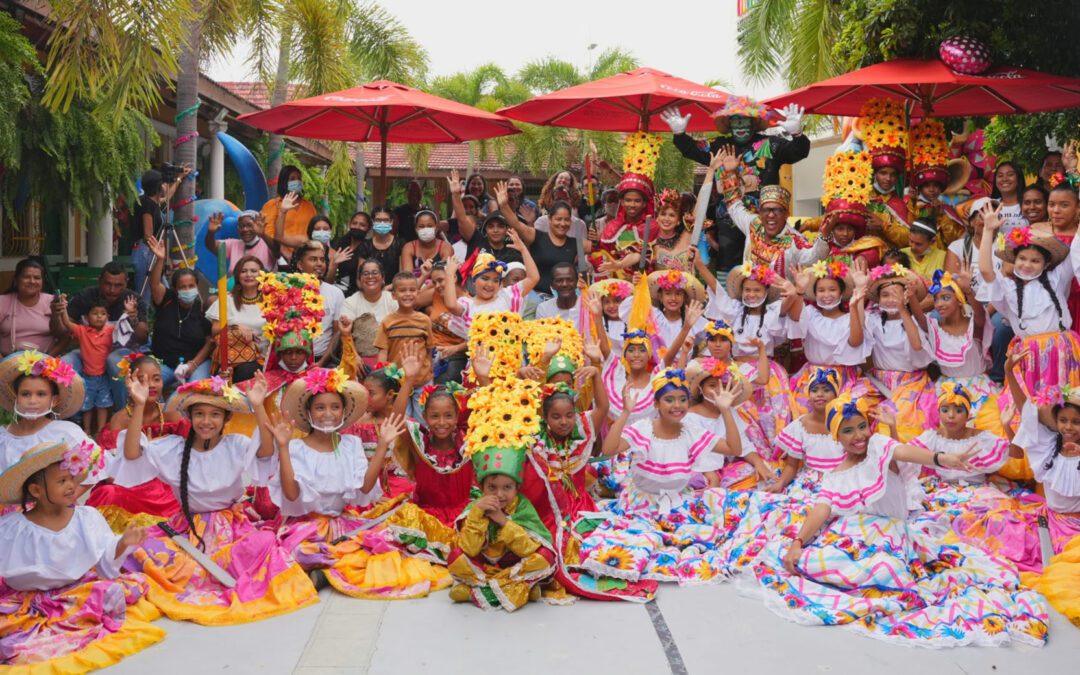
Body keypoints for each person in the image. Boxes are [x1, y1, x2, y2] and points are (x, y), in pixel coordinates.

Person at [760, 393, 1049, 648]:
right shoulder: (836, 475)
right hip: (858, 535)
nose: (859, 435)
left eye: (862, 426)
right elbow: (821, 509)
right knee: (809, 561)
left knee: (888, 572)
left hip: (893, 536)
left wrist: (944, 459)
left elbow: (906, 452)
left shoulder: (880, 447)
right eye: (848, 430)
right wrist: (798, 542)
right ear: (837, 436)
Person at [116, 373, 318, 624]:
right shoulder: (174, 448)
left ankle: (205, 573)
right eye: (199, 414)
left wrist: (257, 405)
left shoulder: (235, 444)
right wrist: (139, 404)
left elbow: (265, 451)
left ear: (226, 418)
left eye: (214, 414)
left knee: (265, 541)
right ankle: (204, 573)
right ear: (189, 417)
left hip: (230, 530)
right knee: (137, 548)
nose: (206, 421)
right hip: (186, 529)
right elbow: (132, 452)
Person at [268, 369, 451, 598]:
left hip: (341, 522)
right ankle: (323, 566)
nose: (328, 414)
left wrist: (383, 443)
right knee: (299, 552)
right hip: (306, 525)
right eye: (320, 407)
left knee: (379, 545)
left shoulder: (351, 444)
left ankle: (323, 573)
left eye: (335, 407)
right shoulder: (296, 447)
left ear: (344, 411)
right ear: (309, 412)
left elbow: (364, 489)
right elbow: (292, 495)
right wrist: (283, 447)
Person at [0, 440, 164, 671]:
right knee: (10, 638)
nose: (71, 487)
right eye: (62, 481)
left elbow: (104, 560)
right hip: (27, 597)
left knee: (111, 591)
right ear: (36, 491)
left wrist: (123, 543)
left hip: (76, 590)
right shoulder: (11, 528)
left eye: (72, 479)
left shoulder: (86, 518)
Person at [579, 370, 749, 585]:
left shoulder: (691, 431)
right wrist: (625, 412)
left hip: (678, 503)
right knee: (635, 544)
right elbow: (609, 448)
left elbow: (735, 447)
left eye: (682, 399)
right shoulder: (644, 428)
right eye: (669, 400)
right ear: (657, 404)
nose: (677, 405)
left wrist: (726, 411)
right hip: (643, 505)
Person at [977, 206, 1080, 403]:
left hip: (1062, 350)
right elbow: (985, 270)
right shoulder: (1006, 289)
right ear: (1014, 260)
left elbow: (1077, 248)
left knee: (1065, 404)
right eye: (1022, 258)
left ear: (1046, 264)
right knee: (1030, 406)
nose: (1027, 264)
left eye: (1035, 260)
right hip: (1028, 356)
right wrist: (988, 230)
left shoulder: (1057, 277)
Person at [447, 445, 558, 612]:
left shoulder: (522, 507)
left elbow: (529, 549)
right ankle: (521, 588)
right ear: (482, 487)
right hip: (484, 566)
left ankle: (475, 591)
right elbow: (469, 549)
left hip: (513, 564)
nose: (499, 494)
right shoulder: (476, 506)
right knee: (455, 557)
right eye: (492, 487)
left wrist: (504, 522)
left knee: (546, 557)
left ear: (516, 488)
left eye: (507, 487)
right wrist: (477, 514)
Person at [85, 353, 185, 532]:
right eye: (142, 380)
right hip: (129, 486)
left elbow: (196, 449)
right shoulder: (120, 420)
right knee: (108, 493)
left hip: (166, 484)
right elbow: (110, 471)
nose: (151, 385)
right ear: (130, 382)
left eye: (156, 379)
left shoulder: (172, 416)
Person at [662, 97, 808, 202]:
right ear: (729, 125)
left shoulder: (770, 144)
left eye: (744, 121)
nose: (740, 126)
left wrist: (797, 134)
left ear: (753, 123)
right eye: (735, 122)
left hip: (764, 221)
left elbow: (798, 151)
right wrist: (680, 134)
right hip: (727, 224)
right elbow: (692, 150)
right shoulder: (718, 146)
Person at [0, 351, 104, 488]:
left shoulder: (66, 433)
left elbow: (93, 470)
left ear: (54, 400)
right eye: (25, 394)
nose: (32, 401)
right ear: (16, 398)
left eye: (41, 394)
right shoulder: (3, 436)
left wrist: (63, 503)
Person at [714, 147, 821, 279]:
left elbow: (814, 257)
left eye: (777, 210)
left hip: (782, 299)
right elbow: (734, 205)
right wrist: (730, 173)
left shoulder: (794, 240)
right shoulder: (753, 224)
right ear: (759, 212)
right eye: (766, 210)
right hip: (750, 296)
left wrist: (826, 235)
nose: (771, 215)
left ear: (787, 214)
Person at [783, 258, 872, 415]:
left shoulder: (848, 317)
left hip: (843, 378)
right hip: (812, 377)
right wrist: (800, 290)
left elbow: (856, 341)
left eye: (832, 289)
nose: (827, 294)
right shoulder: (810, 313)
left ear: (841, 292)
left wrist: (858, 293)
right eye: (821, 290)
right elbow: (795, 316)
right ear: (815, 293)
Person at [62, 262, 150, 409]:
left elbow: (143, 337)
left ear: (126, 283)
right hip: (88, 352)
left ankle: (124, 413)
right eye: (107, 284)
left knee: (113, 361)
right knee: (65, 363)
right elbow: (63, 330)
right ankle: (71, 417)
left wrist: (133, 320)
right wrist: (59, 313)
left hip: (121, 352)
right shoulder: (85, 297)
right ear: (99, 281)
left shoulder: (133, 300)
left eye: (118, 285)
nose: (112, 290)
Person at [863, 265, 936, 441]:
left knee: (903, 420)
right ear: (878, 299)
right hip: (878, 381)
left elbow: (917, 345)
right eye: (885, 295)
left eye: (896, 294)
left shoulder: (916, 321)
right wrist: (859, 292)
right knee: (853, 406)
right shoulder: (872, 320)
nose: (891, 300)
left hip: (910, 383)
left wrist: (904, 310)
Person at [144, 235, 214, 390]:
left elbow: (210, 342)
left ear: (197, 286)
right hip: (165, 363)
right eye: (183, 287)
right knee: (148, 384)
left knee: (196, 389)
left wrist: (193, 364)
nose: (187, 290)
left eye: (191, 286)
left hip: (195, 363)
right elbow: (154, 283)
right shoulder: (167, 299)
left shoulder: (203, 309)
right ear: (175, 289)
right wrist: (160, 259)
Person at [57, 296, 135, 434]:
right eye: (95, 313)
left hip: (104, 377)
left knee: (103, 404)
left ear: (108, 316)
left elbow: (124, 326)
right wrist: (63, 309)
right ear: (86, 317)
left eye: (103, 314)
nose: (99, 317)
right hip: (87, 376)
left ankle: (100, 430)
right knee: (86, 405)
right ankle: (86, 430)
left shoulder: (111, 331)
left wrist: (128, 312)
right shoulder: (82, 331)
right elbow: (67, 324)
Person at [496, 182, 578, 299]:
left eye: (566, 220)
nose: (562, 223)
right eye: (558, 219)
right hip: (535, 298)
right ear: (549, 219)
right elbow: (516, 223)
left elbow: (599, 246)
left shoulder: (576, 243)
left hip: (564, 299)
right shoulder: (536, 235)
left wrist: (596, 236)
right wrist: (504, 205)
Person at [772, 368, 845, 494]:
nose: (820, 394)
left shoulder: (846, 423)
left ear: (836, 395)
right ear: (809, 396)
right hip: (810, 485)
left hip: (841, 482)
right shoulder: (800, 426)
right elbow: (791, 465)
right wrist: (780, 484)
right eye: (814, 390)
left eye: (826, 390)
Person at [375, 273, 433, 419]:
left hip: (422, 381)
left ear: (418, 293)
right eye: (402, 290)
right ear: (394, 295)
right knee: (400, 421)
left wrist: (429, 373)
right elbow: (383, 351)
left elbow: (429, 350)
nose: (408, 294)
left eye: (412, 290)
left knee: (423, 422)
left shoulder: (425, 320)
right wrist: (384, 379)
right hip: (398, 383)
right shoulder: (387, 322)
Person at [442, 235, 539, 320]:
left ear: (500, 283)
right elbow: (451, 305)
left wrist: (523, 249)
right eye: (485, 278)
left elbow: (533, 278)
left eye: (496, 280)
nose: (490, 284)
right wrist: (449, 275)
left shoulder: (506, 296)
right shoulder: (468, 304)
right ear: (474, 280)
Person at [859, 98, 913, 248]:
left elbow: (909, 238)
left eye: (893, 174)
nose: (888, 178)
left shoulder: (899, 204)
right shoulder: (861, 196)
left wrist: (884, 225)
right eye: (883, 173)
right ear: (875, 173)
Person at [132, 165, 190, 303]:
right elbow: (148, 234)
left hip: (150, 252)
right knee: (144, 294)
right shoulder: (147, 205)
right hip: (147, 252)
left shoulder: (152, 202)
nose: (165, 186)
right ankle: (140, 321)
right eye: (163, 184)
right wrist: (160, 254)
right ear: (157, 187)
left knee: (164, 290)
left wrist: (179, 179)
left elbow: (167, 197)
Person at [205, 255, 268, 381]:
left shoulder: (271, 300)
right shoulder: (226, 299)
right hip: (231, 359)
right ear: (238, 276)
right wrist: (235, 326)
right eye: (244, 271)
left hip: (263, 358)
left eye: (253, 271)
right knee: (243, 371)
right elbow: (215, 329)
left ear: (262, 275)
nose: (248, 274)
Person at [291, 240, 345, 366]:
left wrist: (321, 362)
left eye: (322, 260)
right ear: (300, 265)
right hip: (292, 360)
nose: (319, 264)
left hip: (325, 360)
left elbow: (337, 333)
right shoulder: (288, 292)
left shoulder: (336, 293)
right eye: (313, 259)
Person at [0, 258, 63, 357]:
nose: (32, 281)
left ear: (42, 281)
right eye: (26, 277)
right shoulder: (3, 302)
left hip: (45, 363)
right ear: (16, 279)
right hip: (8, 364)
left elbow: (65, 337)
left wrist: (47, 361)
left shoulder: (52, 302)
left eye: (37, 278)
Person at [261, 165, 318, 263]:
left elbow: (314, 231)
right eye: (292, 179)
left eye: (299, 178)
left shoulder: (309, 206)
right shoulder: (273, 205)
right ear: (284, 182)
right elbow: (268, 233)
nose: (297, 181)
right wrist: (284, 251)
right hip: (279, 259)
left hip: (306, 257)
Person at [425, 261, 468, 384]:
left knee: (441, 387)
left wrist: (455, 348)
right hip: (430, 353)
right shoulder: (437, 294)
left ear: (453, 277)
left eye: (440, 280)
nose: (437, 285)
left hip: (454, 357)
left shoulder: (469, 303)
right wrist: (424, 275)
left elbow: (475, 340)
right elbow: (411, 299)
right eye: (434, 282)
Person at [203, 209, 276, 274]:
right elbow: (210, 245)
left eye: (249, 225)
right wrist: (211, 232)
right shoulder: (233, 244)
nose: (245, 229)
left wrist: (263, 234)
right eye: (241, 226)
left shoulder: (267, 243)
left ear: (258, 226)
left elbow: (277, 250)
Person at [358, 206, 406, 283]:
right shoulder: (365, 245)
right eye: (378, 220)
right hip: (370, 290)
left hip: (395, 291)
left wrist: (386, 290)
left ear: (391, 222)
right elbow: (359, 278)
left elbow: (402, 276)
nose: (382, 223)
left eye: (386, 220)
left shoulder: (400, 244)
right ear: (373, 221)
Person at [649, 189, 693, 272]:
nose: (666, 219)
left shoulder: (684, 240)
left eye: (672, 215)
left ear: (678, 221)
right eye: (663, 214)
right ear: (657, 218)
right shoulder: (649, 241)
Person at [329, 211, 372, 294]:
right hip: (336, 290)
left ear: (368, 229)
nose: (357, 227)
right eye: (354, 223)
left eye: (362, 225)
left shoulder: (368, 247)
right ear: (350, 224)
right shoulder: (340, 243)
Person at [400, 210, 453, 276]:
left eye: (430, 226)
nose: (426, 229)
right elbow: (408, 278)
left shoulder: (446, 247)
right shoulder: (409, 247)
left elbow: (443, 277)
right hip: (414, 286)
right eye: (421, 226)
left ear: (436, 228)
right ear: (416, 229)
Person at [534, 263, 581, 327]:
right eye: (559, 280)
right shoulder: (544, 309)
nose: (565, 284)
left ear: (576, 282)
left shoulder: (588, 306)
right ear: (552, 285)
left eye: (570, 280)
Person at [991, 161, 1028, 233]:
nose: (1004, 179)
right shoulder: (989, 205)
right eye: (1000, 176)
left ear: (1019, 178)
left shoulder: (1029, 204)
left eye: (1010, 175)